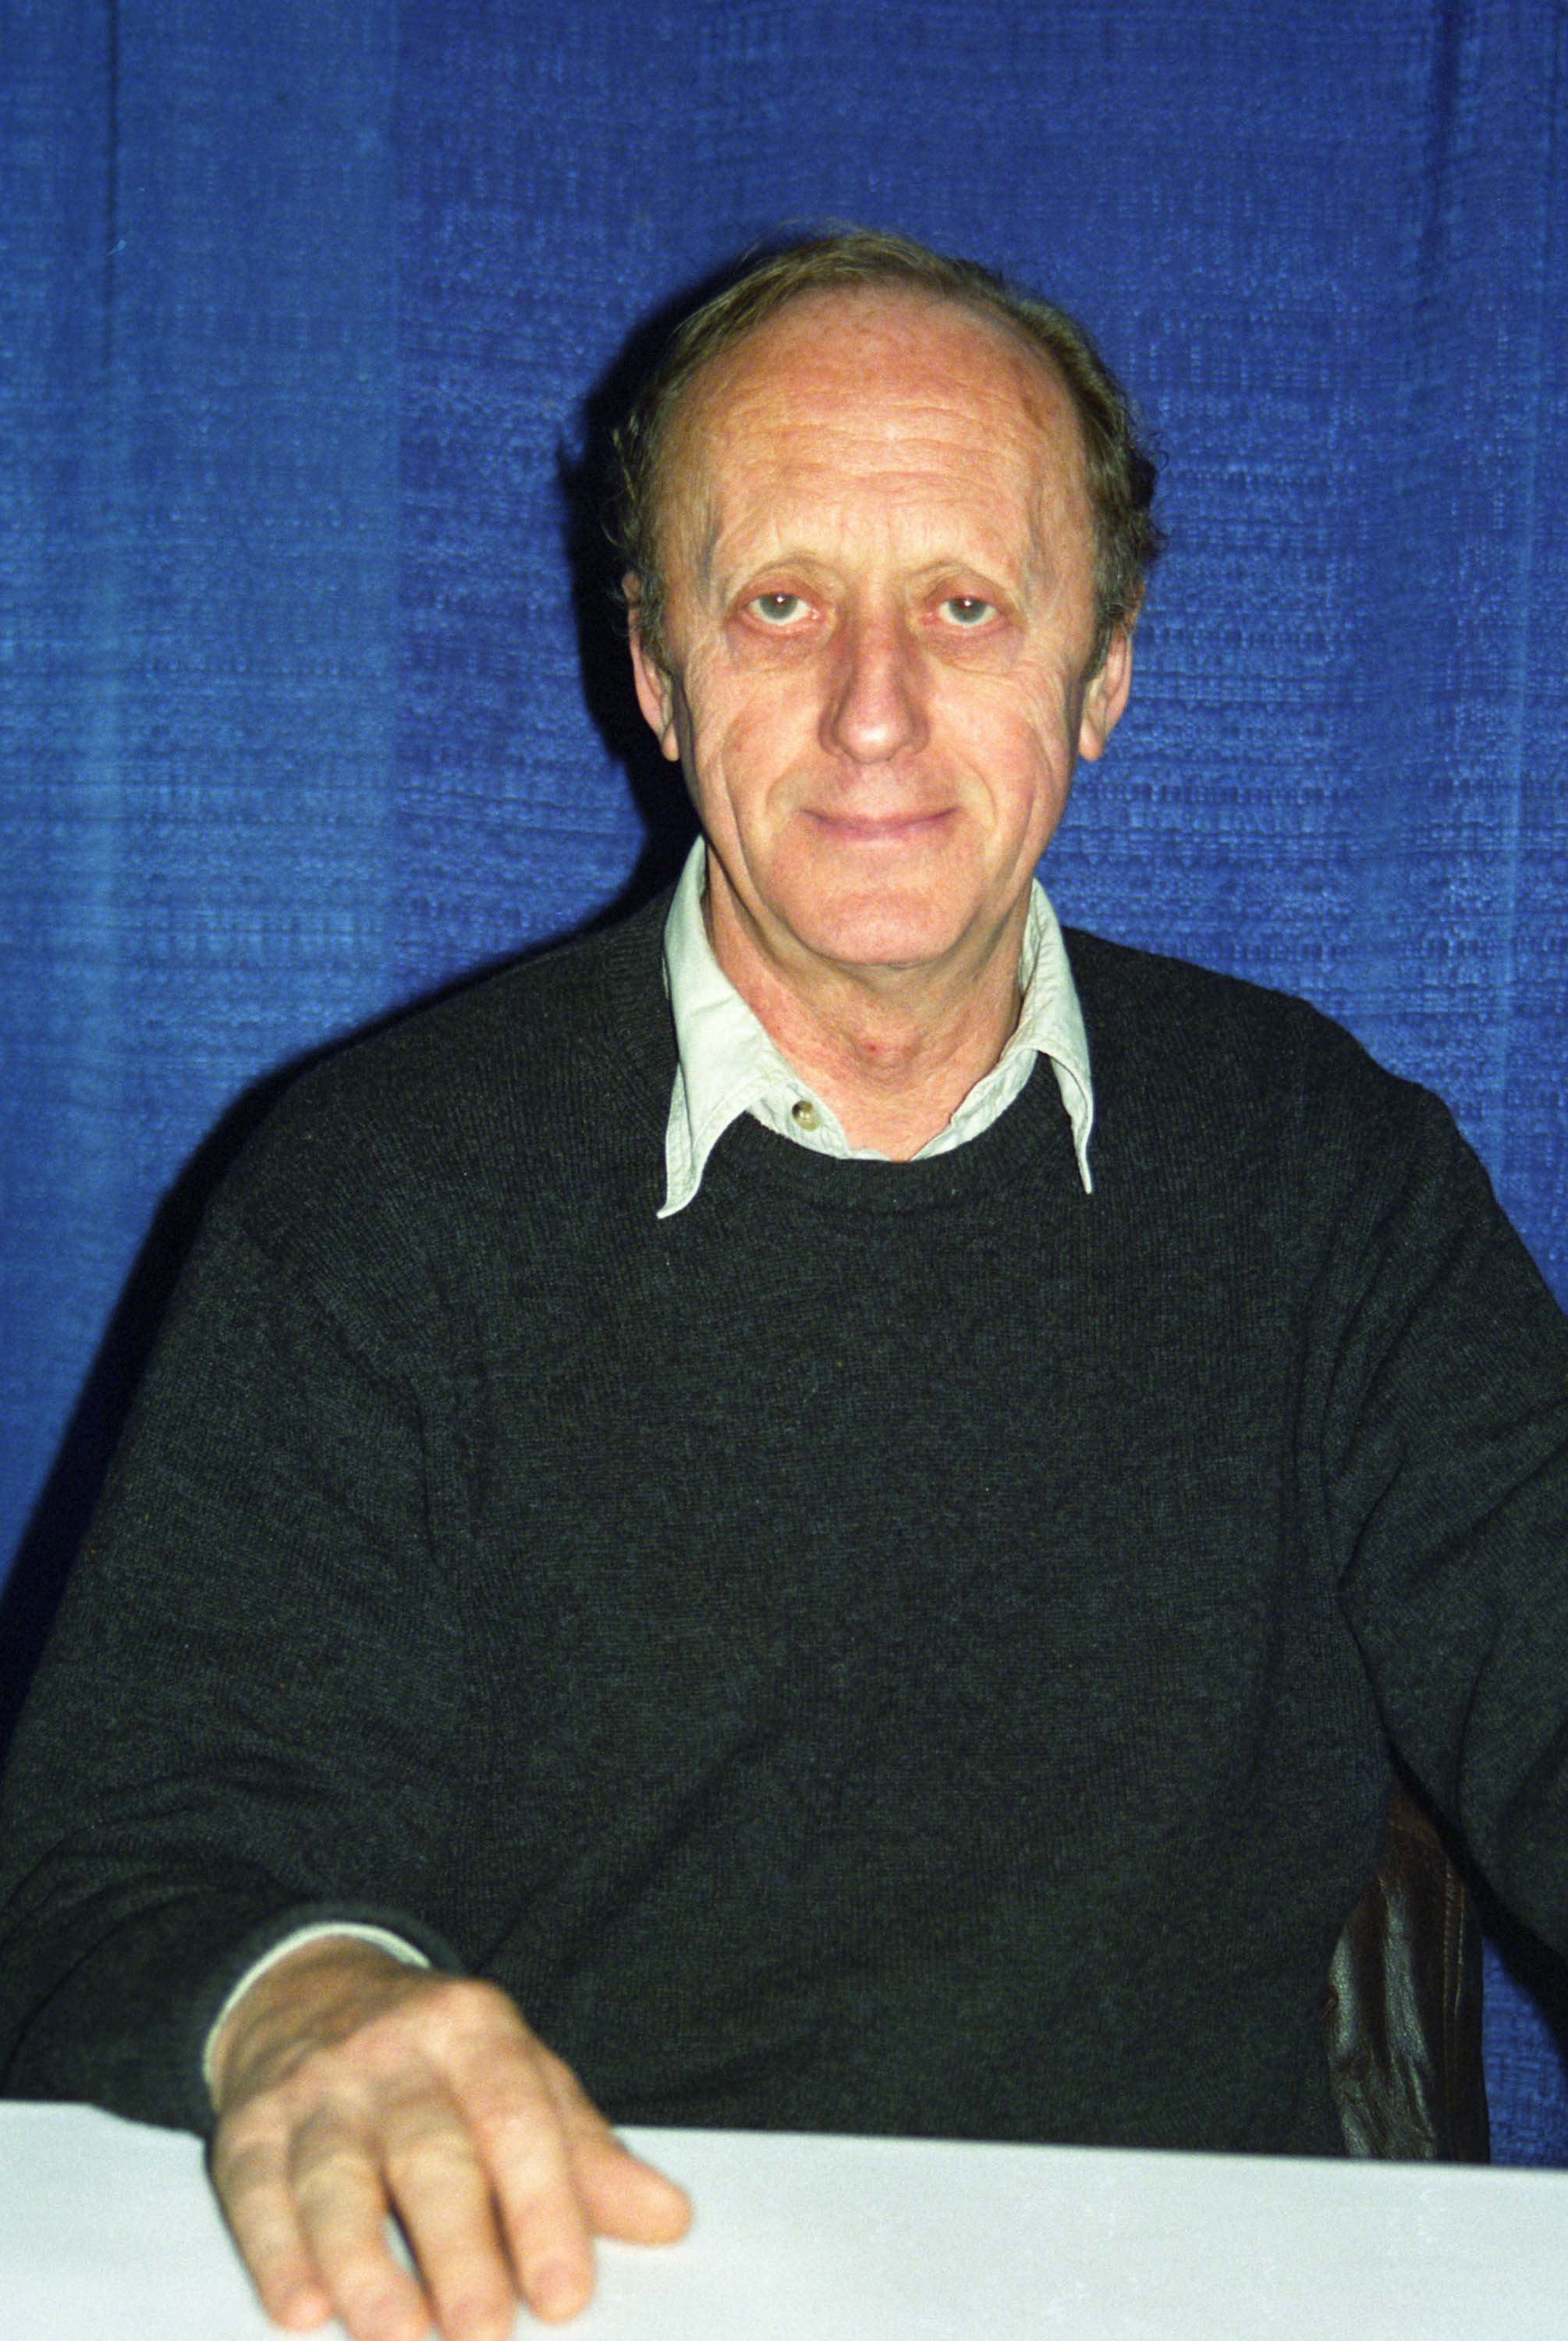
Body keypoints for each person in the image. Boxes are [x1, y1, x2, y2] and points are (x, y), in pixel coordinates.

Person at [2, 229, 1566, 2341]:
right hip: (567, 2289)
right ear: (653, 674)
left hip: (1189, 2291)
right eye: (777, 605)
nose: (871, 711)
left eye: (964, 605)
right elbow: (121, 1847)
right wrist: (308, 2006)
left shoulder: (1329, 1178)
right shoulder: (370, 1197)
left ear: (1103, 675)